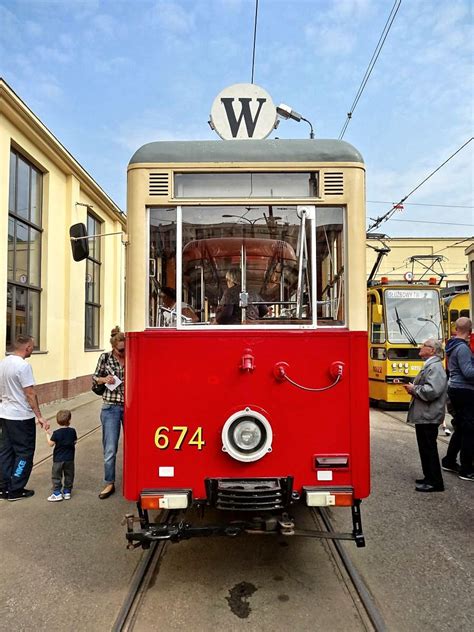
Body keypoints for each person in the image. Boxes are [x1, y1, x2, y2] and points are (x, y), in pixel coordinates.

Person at [0, 334, 49, 501]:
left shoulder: (3, 363)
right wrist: (39, 416)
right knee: (24, 453)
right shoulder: (23, 366)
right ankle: (15, 489)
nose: (32, 350)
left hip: (5, 415)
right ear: (27, 348)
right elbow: (30, 393)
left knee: (6, 451)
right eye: (32, 347)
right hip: (21, 417)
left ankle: (3, 487)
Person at [404, 338, 447, 492]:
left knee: (429, 447)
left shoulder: (435, 367)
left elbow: (432, 391)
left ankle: (435, 482)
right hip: (425, 414)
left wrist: (413, 389)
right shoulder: (431, 365)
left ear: (432, 351)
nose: (421, 347)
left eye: (425, 346)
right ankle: (429, 477)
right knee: (425, 447)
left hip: (429, 415)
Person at [92, 327, 125, 499]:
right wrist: (104, 379)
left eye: (125, 349)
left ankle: (135, 477)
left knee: (135, 446)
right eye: (120, 350)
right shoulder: (105, 357)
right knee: (110, 448)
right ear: (113, 347)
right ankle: (109, 482)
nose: (122, 353)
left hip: (130, 406)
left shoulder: (131, 355)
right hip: (110, 407)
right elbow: (95, 377)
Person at [442, 317, 474, 481]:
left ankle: (449, 461)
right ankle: (467, 469)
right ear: (469, 331)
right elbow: (468, 372)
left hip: (455, 389)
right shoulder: (462, 348)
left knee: (461, 428)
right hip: (464, 390)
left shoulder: (452, 344)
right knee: (469, 431)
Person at [45, 409, 77, 501]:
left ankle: (57, 493)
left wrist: (47, 434)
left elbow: (51, 444)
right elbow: (74, 441)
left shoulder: (56, 433)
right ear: (69, 420)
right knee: (69, 475)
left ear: (57, 421)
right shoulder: (72, 431)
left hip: (58, 459)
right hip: (70, 458)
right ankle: (67, 492)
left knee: (56, 476)